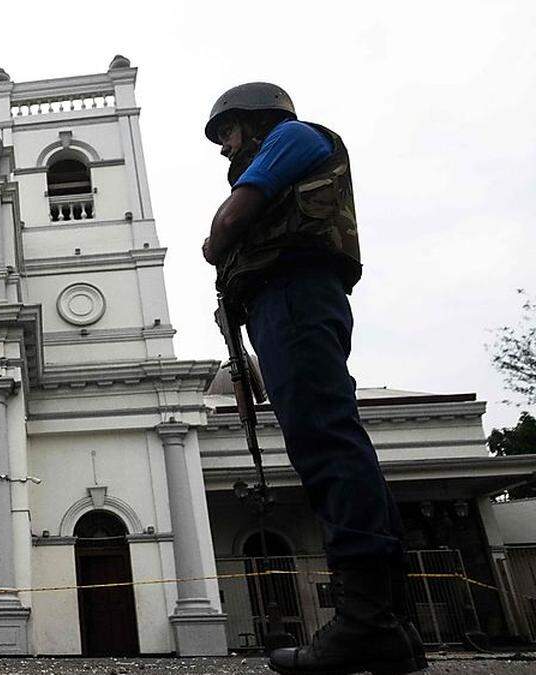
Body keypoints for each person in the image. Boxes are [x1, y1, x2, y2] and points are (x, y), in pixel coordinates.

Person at [202, 82, 426, 674]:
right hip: (284, 301)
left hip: (296, 296)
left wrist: (215, 239)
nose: (224, 148)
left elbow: (232, 218)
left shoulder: (294, 137)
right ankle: (387, 622)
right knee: (327, 442)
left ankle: (369, 620)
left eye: (226, 132)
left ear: (255, 120)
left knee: (326, 442)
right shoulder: (281, 148)